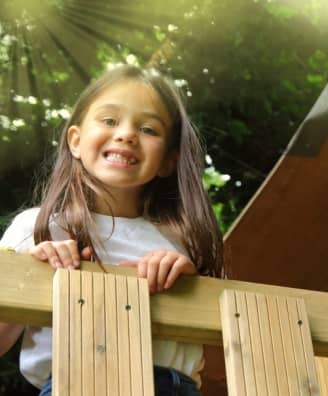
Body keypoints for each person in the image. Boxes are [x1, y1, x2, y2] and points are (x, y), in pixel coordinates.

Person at [0, 65, 224, 395]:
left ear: (168, 161)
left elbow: (216, 347)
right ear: (75, 141)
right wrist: (29, 273)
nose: (127, 134)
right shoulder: (39, 228)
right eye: (109, 120)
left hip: (170, 387)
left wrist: (190, 285)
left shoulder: (181, 240)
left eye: (148, 129)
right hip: (74, 383)